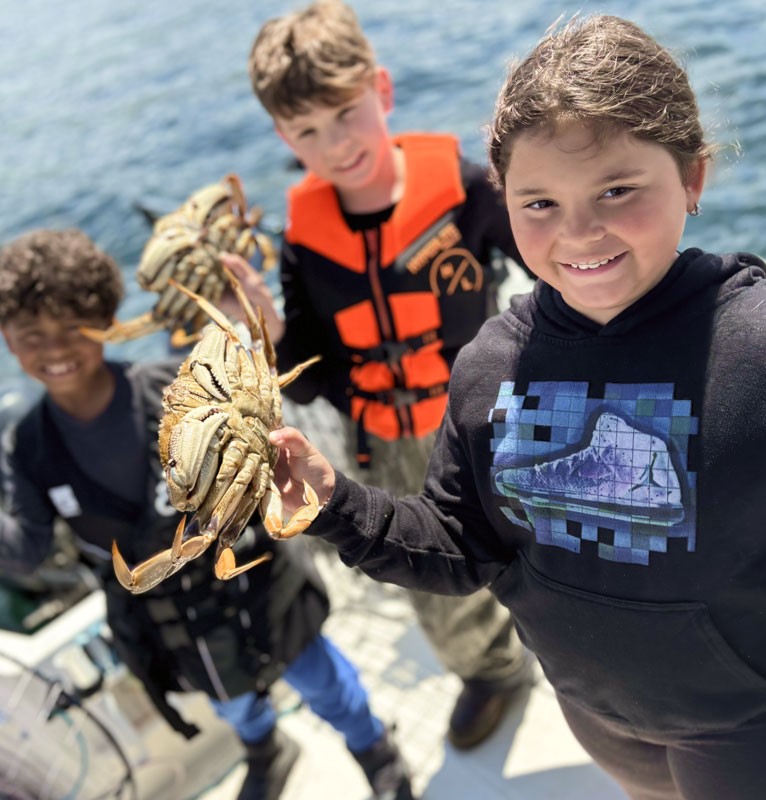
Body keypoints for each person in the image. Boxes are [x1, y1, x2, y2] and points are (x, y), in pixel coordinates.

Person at [263, 14, 766, 800]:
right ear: (503, 197)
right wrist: (333, 504)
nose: (579, 231)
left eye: (617, 189)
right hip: (596, 711)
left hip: (751, 720)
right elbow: (460, 544)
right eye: (539, 202)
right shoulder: (488, 371)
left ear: (693, 175)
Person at [0, 228, 415, 800]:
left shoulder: (173, 383)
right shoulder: (28, 446)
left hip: (255, 583)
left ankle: (375, 751)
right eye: (31, 335)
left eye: (73, 327)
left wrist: (236, 315)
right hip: (173, 621)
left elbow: (237, 363)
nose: (56, 349)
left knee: (320, 679)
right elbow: (24, 550)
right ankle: (267, 750)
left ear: (107, 320)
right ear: (7, 339)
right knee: (234, 702)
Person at [239, 0, 536, 751]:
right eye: (306, 131)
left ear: (382, 89)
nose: (335, 145)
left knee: (543, 546)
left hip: (491, 410)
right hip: (386, 441)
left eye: (346, 113)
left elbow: (558, 268)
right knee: (435, 583)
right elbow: (306, 379)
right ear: (282, 136)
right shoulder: (304, 241)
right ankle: (495, 669)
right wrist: (269, 333)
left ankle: (546, 638)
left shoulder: (470, 190)